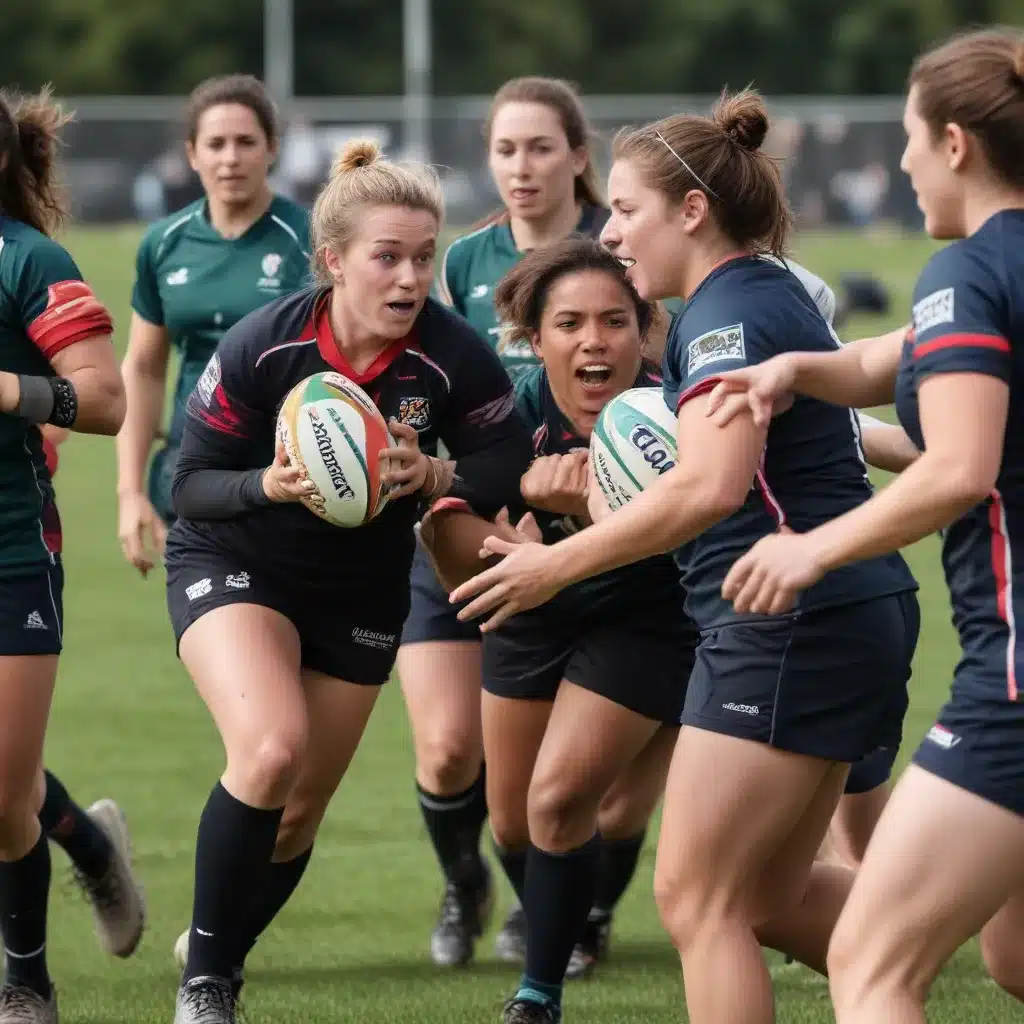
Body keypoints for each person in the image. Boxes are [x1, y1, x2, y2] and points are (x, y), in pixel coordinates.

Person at [449, 89, 921, 1024]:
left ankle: (949, 932)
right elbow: (810, 437)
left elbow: (707, 488)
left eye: (626, 209)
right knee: (767, 900)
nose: (612, 231)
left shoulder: (723, 318)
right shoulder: (763, 290)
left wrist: (555, 565)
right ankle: (939, 943)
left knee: (699, 900)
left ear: (692, 211)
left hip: (784, 623)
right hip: (838, 613)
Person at [164, 138, 533, 1024]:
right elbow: (189, 484)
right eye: (387, 256)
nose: (410, 277)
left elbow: (507, 454)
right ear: (334, 262)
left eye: (424, 257)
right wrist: (271, 484)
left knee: (295, 816)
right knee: (270, 750)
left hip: (362, 591)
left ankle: (212, 938)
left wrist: (436, 477)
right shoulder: (268, 343)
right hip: (235, 558)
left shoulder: (446, 354)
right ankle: (209, 987)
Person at [703, 27, 1024, 1020]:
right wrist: (801, 369)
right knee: (1014, 956)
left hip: (1014, 679)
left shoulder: (967, 273)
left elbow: (960, 470)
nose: (899, 162)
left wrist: (811, 546)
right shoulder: (977, 285)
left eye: (907, 137)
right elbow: (903, 355)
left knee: (873, 961)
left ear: (956, 144)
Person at [397, 75, 655, 971]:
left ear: (579, 158)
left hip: (610, 550)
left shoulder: (624, 252)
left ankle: (574, 919)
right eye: (505, 148)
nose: (522, 166)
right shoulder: (461, 264)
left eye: (541, 146)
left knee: (600, 795)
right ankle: (473, 885)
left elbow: (666, 408)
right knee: (449, 753)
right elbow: (429, 398)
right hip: (477, 522)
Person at [430, 236, 692, 1022]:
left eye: (615, 321)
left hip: (648, 614)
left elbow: (703, 530)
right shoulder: (505, 417)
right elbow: (444, 530)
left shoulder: (674, 410)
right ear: (534, 338)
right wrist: (498, 550)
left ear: (644, 330)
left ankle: (537, 995)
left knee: (559, 800)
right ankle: (568, 915)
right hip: (531, 615)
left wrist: (585, 515)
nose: (593, 341)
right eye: (570, 323)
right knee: (511, 821)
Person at [0, 87, 140, 1023]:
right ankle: (89, 844)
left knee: (0, 788)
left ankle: (26, 986)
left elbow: (105, 401)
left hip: (10, 550)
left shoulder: (28, 259)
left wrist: (8, 389)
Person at [117, 73, 310, 578]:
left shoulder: (312, 238)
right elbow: (143, 367)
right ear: (192, 153)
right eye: (216, 144)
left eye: (246, 142)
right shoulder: (163, 244)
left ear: (272, 148)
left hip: (295, 477)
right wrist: (131, 492)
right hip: (195, 474)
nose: (230, 158)